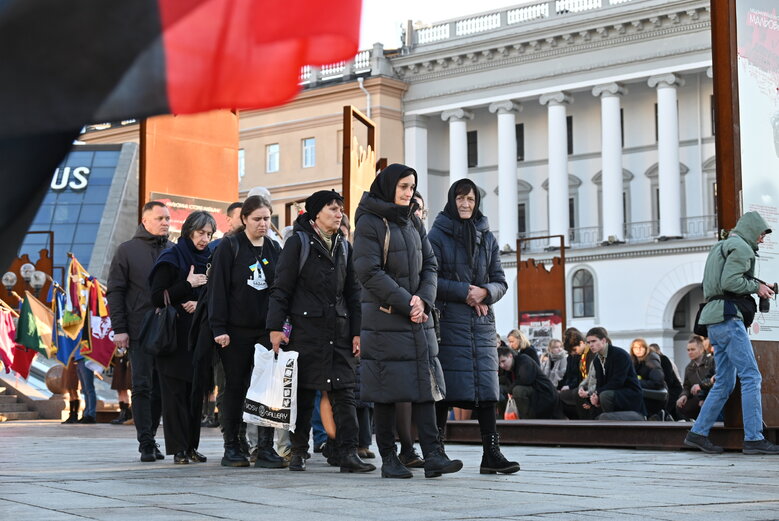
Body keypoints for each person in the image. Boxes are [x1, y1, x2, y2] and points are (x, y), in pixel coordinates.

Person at [353, 163, 462, 479]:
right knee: (386, 390)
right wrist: (406, 301)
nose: (408, 192)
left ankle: (434, 455)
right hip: (385, 319)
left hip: (418, 318)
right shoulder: (370, 223)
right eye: (403, 186)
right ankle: (389, 458)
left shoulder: (413, 220)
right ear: (389, 187)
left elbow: (431, 264)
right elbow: (368, 272)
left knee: (425, 386)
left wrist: (423, 300)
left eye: (411, 187)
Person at [268, 190, 374, 474]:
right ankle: (299, 451)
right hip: (305, 331)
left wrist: (357, 332)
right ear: (316, 214)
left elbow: (353, 294)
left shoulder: (344, 246)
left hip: (339, 331)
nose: (339, 214)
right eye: (332, 209)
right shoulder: (298, 244)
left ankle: (348, 452)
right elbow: (281, 289)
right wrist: (275, 328)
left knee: (345, 393)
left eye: (340, 209)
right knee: (303, 394)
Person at [428, 178, 519, 475]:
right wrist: (466, 291)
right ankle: (436, 452)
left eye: (470, 199)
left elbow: (500, 280)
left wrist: (486, 292)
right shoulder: (437, 235)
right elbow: (430, 279)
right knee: (445, 388)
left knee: (487, 390)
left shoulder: (488, 237)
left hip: (481, 324)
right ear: (452, 201)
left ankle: (491, 454)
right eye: (460, 199)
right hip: (449, 321)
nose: (465, 204)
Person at [684, 211, 779, 455]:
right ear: (750, 230)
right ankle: (754, 438)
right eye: (761, 234)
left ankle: (697, 433)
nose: (762, 239)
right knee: (751, 376)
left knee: (725, 381)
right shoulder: (742, 248)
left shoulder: (721, 246)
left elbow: (719, 282)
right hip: (729, 318)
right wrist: (757, 287)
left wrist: (756, 284)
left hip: (714, 320)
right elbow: (730, 283)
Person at [209, 196, 286, 469]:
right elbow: (217, 290)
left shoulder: (275, 249)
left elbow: (282, 291)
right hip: (235, 331)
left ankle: (265, 447)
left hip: (265, 331)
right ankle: (234, 445)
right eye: (257, 219)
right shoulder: (230, 247)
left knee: (267, 390)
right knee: (235, 388)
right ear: (244, 219)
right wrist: (219, 328)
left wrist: (281, 326)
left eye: (267, 219)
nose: (263, 224)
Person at [107, 200, 172, 461]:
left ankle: (153, 437)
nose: (166, 222)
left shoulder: (172, 249)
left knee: (160, 387)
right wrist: (120, 329)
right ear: (146, 221)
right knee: (143, 386)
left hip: (168, 329)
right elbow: (115, 291)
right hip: (139, 329)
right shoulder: (127, 250)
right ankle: (145, 442)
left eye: (168, 218)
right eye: (160, 218)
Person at [149, 211, 214, 464]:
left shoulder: (209, 258)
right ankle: (178, 450)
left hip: (199, 335)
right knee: (175, 395)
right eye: (200, 233)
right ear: (189, 231)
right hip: (173, 338)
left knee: (195, 393)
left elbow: (215, 294)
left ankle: (191, 446)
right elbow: (156, 296)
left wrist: (199, 304)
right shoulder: (172, 257)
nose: (204, 239)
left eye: (209, 234)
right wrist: (187, 286)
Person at [579, 327, 644, 417]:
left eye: (593, 341)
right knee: (592, 401)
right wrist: (592, 398)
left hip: (629, 394)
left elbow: (618, 381)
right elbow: (600, 383)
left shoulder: (620, 354)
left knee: (605, 395)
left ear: (603, 340)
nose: (591, 345)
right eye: (589, 342)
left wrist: (596, 393)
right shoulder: (597, 360)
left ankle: (610, 424)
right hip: (612, 392)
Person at [498, 346, 558, 420]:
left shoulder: (523, 360)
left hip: (543, 392)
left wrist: (509, 390)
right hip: (533, 391)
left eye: (503, 361)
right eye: (499, 363)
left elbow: (526, 380)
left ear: (510, 356)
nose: (502, 365)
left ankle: (526, 421)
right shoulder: (509, 368)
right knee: (499, 389)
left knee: (518, 390)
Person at [676, 335, 715, 421]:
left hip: (710, 396)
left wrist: (704, 398)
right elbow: (686, 386)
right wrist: (683, 395)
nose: (690, 352)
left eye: (693, 349)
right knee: (680, 405)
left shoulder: (711, 362)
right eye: (688, 350)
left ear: (701, 349)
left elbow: (714, 382)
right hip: (697, 398)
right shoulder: (689, 367)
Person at [558, 327, 594, 419]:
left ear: (582, 343)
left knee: (569, 396)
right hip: (583, 386)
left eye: (574, 349)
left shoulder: (590, 354)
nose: (574, 353)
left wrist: (576, 387)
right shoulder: (581, 355)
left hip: (588, 387)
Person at [629, 338, 667, 419]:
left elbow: (657, 382)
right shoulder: (634, 361)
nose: (638, 350)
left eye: (641, 347)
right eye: (635, 348)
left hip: (655, 396)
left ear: (646, 348)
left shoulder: (651, 360)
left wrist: (637, 382)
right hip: (645, 393)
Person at [648, 342, 684, 420]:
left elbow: (669, 380)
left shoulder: (664, 359)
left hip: (672, 390)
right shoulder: (650, 362)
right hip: (664, 390)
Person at [109, 351, 133, 425]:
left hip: (125, 360)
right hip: (118, 360)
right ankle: (122, 413)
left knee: (124, 388)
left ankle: (127, 415)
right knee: (119, 389)